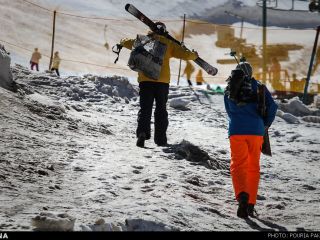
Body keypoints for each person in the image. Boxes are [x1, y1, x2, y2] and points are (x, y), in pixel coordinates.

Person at [119, 22, 198, 147]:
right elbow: (186, 54)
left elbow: (127, 42)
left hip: (145, 81)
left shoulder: (144, 41)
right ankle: (160, 140)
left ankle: (142, 133)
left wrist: (122, 41)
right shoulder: (169, 44)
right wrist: (194, 55)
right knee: (161, 110)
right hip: (162, 82)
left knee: (145, 109)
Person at [224, 62, 278, 218]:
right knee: (253, 167)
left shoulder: (229, 88)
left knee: (238, 165)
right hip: (256, 131)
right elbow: (273, 107)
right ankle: (251, 204)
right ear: (250, 73)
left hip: (236, 131)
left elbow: (228, 110)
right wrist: (266, 124)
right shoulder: (258, 86)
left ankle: (242, 196)